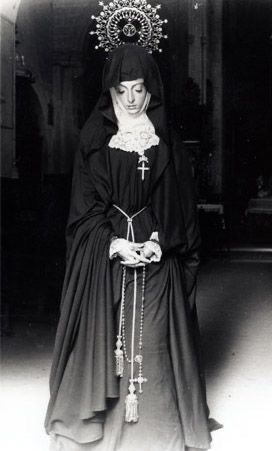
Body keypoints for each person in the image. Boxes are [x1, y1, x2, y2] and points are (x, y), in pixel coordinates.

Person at [45, 44, 211, 451]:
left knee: (154, 338)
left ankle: (157, 431)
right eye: (124, 90)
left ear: (150, 90)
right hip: (111, 252)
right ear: (112, 92)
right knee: (109, 335)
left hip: (157, 248)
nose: (132, 99)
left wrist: (160, 241)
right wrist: (114, 243)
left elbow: (181, 204)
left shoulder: (165, 138)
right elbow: (84, 208)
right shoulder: (95, 138)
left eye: (139, 89)